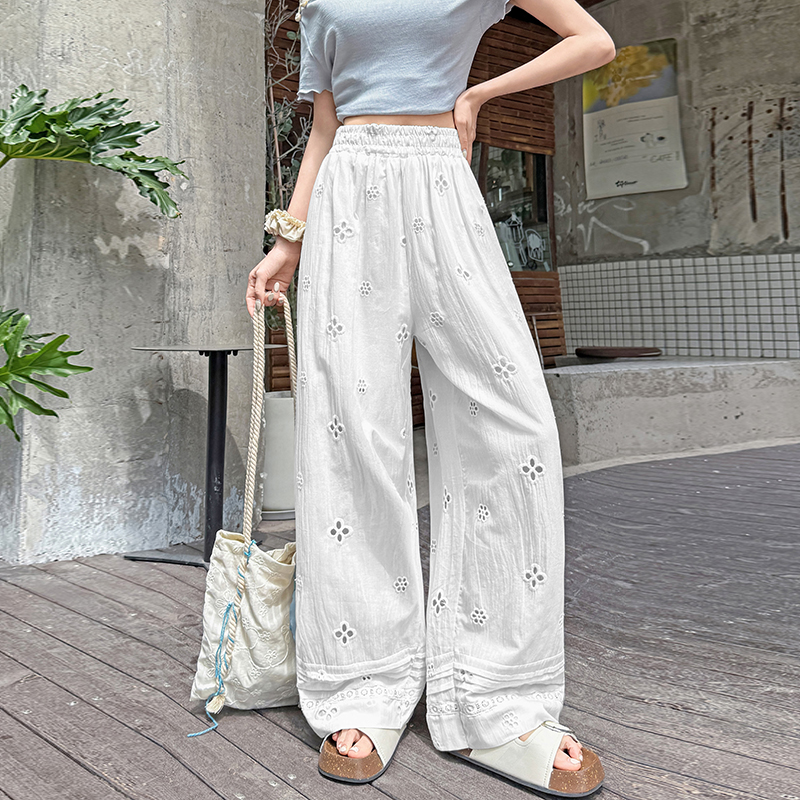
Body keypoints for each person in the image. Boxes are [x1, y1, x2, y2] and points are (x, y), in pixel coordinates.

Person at [246, 0, 616, 795]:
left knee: (514, 425)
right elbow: (325, 126)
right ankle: (361, 680)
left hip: (443, 179)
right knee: (351, 430)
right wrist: (287, 240)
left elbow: (593, 41)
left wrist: (479, 94)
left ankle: (499, 696)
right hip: (348, 192)